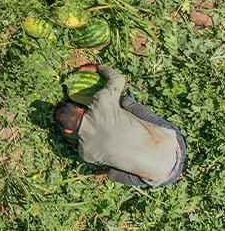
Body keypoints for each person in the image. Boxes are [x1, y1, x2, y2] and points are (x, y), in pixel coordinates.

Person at [54, 64, 186, 187]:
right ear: (80, 109)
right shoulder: (101, 103)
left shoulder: (86, 153)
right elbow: (118, 78)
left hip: (165, 178)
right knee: (126, 102)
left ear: (68, 130)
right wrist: (97, 67)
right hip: (177, 144)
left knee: (112, 174)